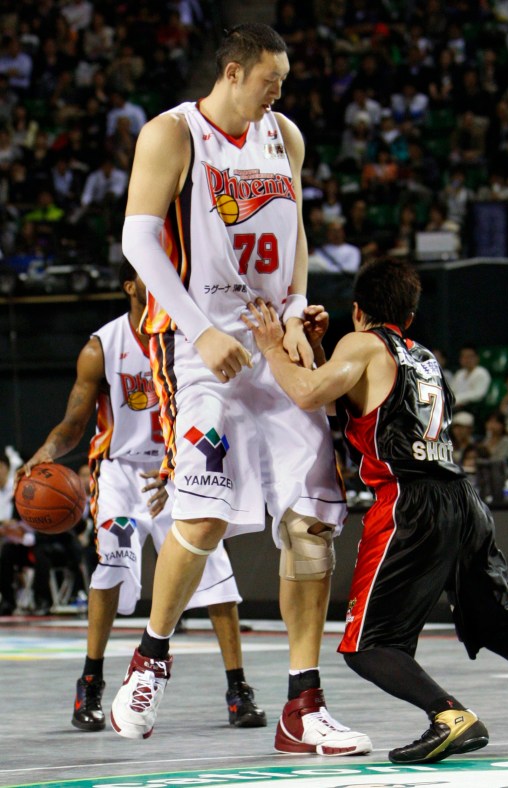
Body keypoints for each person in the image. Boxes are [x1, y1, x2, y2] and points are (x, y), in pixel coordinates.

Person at [109, 24, 370, 754]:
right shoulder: (172, 134)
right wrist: (199, 331)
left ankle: (302, 704)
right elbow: (138, 240)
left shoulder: (282, 135)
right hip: (200, 352)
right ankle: (150, 658)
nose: (279, 94)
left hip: (270, 350)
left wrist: (292, 310)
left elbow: (295, 235)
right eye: (270, 80)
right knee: (202, 510)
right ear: (232, 72)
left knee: (311, 521)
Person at [242, 257, 508, 764]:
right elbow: (349, 395)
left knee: (368, 646)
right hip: (463, 498)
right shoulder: (423, 355)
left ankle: (448, 715)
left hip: (410, 502)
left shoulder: (363, 344)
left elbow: (308, 393)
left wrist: (268, 347)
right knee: (499, 627)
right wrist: (324, 349)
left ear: (357, 310)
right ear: (409, 317)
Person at [18, 261, 266, 734]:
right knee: (113, 564)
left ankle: (238, 689)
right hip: (122, 473)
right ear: (130, 285)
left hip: (174, 468)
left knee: (215, 572)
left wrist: (179, 466)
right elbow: (73, 424)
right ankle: (90, 683)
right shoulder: (101, 346)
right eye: (149, 275)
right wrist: (45, 453)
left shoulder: (188, 331)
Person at [450, 344, 491, 410]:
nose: (467, 359)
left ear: (477, 358)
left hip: (472, 408)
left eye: (470, 356)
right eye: (464, 357)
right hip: (454, 406)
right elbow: (451, 391)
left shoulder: (481, 373)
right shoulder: (459, 373)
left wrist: (458, 399)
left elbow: (478, 395)